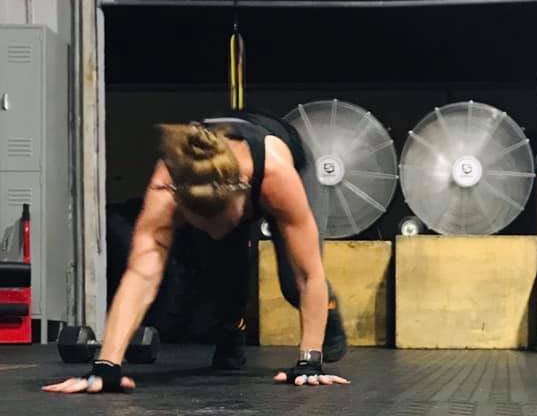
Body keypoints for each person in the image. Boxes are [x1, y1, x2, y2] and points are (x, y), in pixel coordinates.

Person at [44, 111, 350, 393]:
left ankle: (328, 313)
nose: (216, 232)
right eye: (204, 225)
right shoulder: (167, 185)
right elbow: (141, 274)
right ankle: (231, 329)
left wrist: (310, 363)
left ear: (244, 193)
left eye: (224, 222)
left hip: (285, 157)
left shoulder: (275, 174)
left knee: (292, 281)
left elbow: (309, 275)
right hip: (217, 182)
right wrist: (106, 366)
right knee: (221, 277)